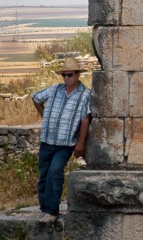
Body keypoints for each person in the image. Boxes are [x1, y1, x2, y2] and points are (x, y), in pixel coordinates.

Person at [31, 57, 91, 223]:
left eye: (70, 75)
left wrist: (81, 143)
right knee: (43, 175)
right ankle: (44, 209)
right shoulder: (55, 89)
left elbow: (86, 118)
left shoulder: (85, 94)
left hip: (65, 143)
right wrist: (45, 116)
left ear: (78, 75)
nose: (66, 79)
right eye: (64, 75)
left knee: (55, 172)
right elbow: (36, 97)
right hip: (47, 139)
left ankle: (52, 211)